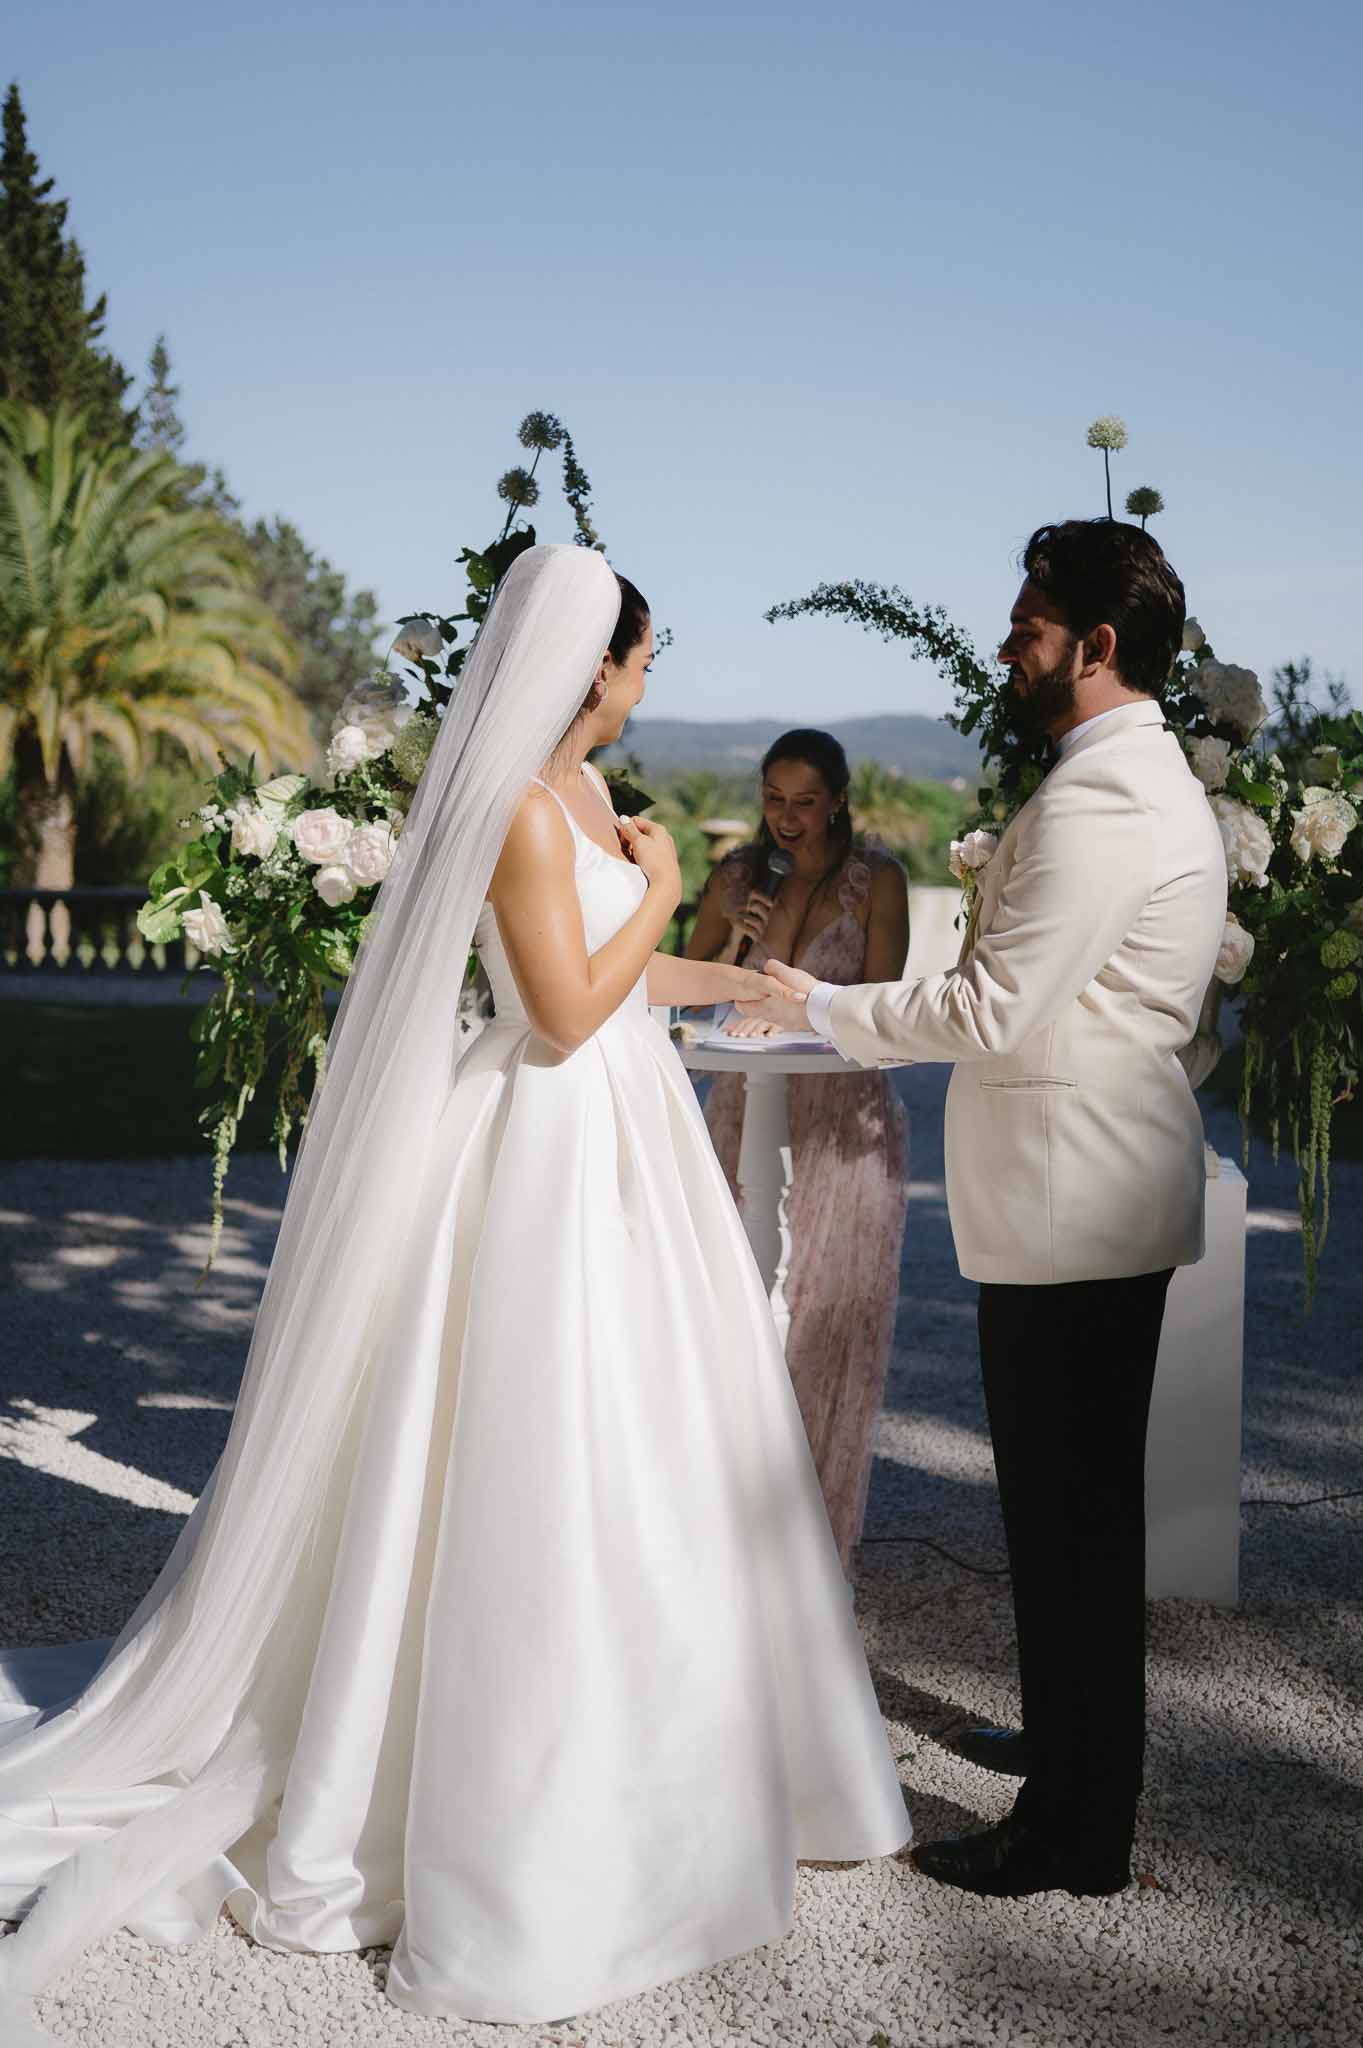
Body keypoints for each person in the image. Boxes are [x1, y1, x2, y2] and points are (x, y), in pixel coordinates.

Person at [0, 548, 910, 2044]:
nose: (644, 682)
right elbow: (559, 1014)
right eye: (640, 660)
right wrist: (674, 883)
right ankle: (516, 1805)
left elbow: (624, 984)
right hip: (551, 1137)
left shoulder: (576, 807)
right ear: (591, 667)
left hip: (622, 1131)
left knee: (658, 1441)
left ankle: (691, 1760)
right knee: (539, 1437)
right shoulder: (513, 810)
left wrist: (757, 986)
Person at [737, 521, 1227, 1899]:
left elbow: (988, 1003)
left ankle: (1074, 1835)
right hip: (1088, 1191)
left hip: (1077, 1202)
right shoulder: (1123, 780)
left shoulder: (1101, 802)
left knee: (1070, 1522)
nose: (1006, 646)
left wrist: (822, 1006)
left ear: (1095, 644)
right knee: (1074, 1517)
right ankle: (1076, 1756)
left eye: (1025, 626)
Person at [685, 731, 911, 1566]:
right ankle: (718, 1529)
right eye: (773, 798)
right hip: (743, 1108)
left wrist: (801, 1007)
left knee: (829, 1317)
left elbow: (884, 1007)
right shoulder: (738, 877)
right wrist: (733, 947)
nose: (785, 817)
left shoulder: (877, 881)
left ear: (839, 799)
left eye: (804, 799)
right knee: (726, 1306)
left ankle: (812, 1542)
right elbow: (679, 976)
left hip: (845, 1119)